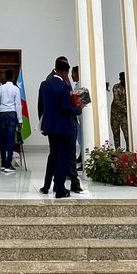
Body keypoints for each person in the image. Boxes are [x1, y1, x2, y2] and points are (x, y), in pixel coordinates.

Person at [37, 57, 79, 198]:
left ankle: (46, 186)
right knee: (63, 159)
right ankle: (60, 189)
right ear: (65, 72)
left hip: (50, 128)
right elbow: (66, 108)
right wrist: (79, 108)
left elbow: (41, 106)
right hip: (64, 128)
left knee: (52, 156)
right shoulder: (65, 87)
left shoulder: (45, 84)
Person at [0, 69, 21, 173]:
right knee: (10, 139)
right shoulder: (16, 89)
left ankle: (3, 164)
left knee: (2, 139)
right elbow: (18, 105)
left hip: (2, 114)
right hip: (12, 114)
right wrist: (20, 120)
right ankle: (8, 165)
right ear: (13, 77)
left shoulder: (0, 88)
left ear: (5, 76)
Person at [110, 74, 129, 150]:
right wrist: (126, 110)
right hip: (115, 114)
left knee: (127, 134)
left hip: (124, 115)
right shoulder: (116, 87)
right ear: (120, 79)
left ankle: (129, 149)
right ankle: (118, 151)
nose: (124, 80)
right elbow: (116, 101)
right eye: (122, 79)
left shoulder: (129, 86)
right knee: (116, 134)